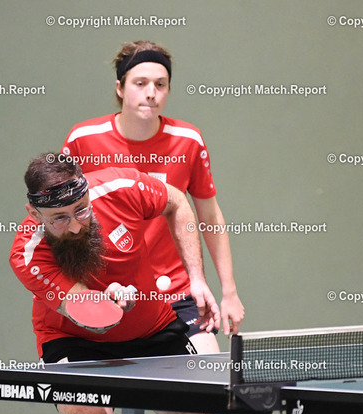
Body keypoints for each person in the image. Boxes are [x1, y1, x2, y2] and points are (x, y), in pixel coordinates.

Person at [61, 40, 244, 352]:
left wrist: (229, 292)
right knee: (87, 385)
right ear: (120, 88)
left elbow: (210, 217)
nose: (151, 93)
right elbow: (60, 219)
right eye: (140, 83)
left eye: (160, 84)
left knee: (206, 371)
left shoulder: (188, 141)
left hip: (173, 293)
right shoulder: (83, 140)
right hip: (107, 293)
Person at [9, 153, 218, 414]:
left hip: (153, 329)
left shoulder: (123, 186)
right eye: (59, 218)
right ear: (35, 214)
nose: (76, 226)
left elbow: (177, 201)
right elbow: (86, 309)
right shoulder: (27, 254)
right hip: (76, 342)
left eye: (81, 209)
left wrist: (197, 278)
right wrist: (107, 303)